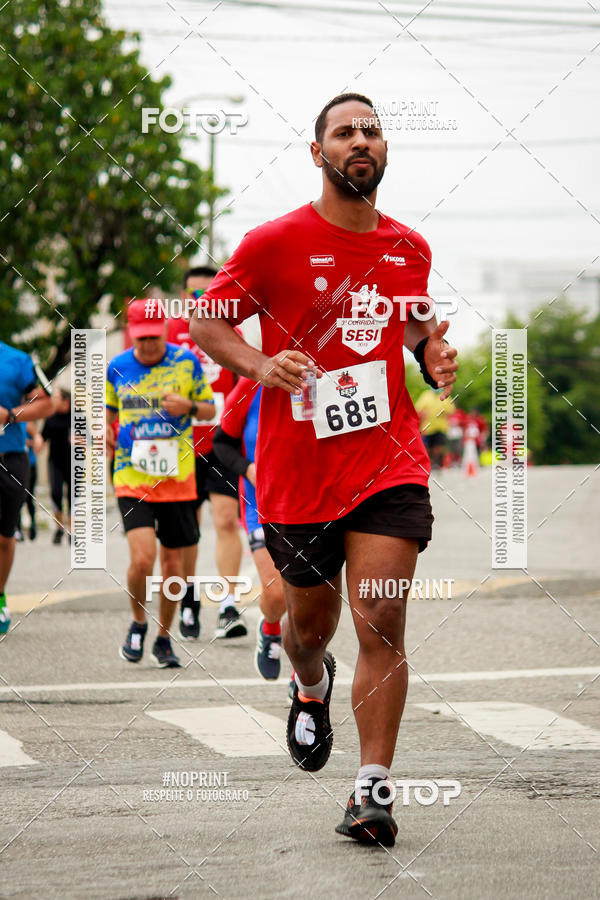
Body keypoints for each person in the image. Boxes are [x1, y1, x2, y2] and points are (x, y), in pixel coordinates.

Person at [190, 93, 458, 847]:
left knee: (382, 617)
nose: (360, 140)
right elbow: (206, 320)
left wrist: (431, 352)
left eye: (372, 130)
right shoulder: (272, 243)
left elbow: (413, 325)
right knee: (308, 629)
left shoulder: (409, 248)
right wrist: (259, 363)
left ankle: (372, 789)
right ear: (319, 153)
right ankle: (311, 684)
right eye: (344, 132)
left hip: (387, 462)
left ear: (384, 150)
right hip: (298, 474)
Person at [106, 299, 215, 667]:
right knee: (142, 560)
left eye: (154, 337)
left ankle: (163, 637)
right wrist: (104, 432)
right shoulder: (118, 367)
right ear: (131, 334)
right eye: (141, 339)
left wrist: (189, 407)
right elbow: (107, 412)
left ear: (165, 330)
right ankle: (138, 622)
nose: (148, 345)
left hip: (177, 479)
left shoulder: (186, 361)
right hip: (132, 476)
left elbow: (210, 409)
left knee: (173, 567)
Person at [166, 266, 247, 641]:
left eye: (209, 294)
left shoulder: (230, 332)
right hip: (179, 444)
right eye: (195, 294)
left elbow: (245, 386)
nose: (202, 301)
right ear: (183, 297)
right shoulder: (168, 335)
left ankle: (228, 605)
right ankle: (189, 600)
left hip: (221, 444)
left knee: (227, 520)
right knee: (188, 531)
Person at [212, 378, 286, 679]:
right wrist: (248, 468)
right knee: (277, 592)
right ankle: (271, 627)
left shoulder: (316, 376)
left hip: (314, 502)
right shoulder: (249, 383)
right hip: (262, 505)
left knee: (311, 601)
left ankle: (304, 678)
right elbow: (221, 443)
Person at [0, 341, 54, 634]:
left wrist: (10, 416)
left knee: (4, 537)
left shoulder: (18, 361)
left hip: (10, 458)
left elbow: (48, 403)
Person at [41, 388, 72, 543]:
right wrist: (37, 441)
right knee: (56, 494)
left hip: (74, 463)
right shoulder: (50, 416)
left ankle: (72, 531)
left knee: (73, 497)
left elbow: (89, 439)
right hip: (55, 461)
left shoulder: (77, 416)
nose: (53, 400)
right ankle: (59, 528)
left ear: (65, 401)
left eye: (56, 398)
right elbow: (43, 436)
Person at [415, 387, 456, 470]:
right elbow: (418, 409)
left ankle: (437, 463)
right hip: (428, 428)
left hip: (441, 427)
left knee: (439, 447)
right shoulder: (426, 395)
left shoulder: (445, 396)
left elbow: (452, 410)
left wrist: (444, 412)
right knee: (428, 447)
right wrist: (422, 415)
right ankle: (430, 463)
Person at [16, 422, 43, 541]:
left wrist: (29, 443)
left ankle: (32, 524)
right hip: (16, 465)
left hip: (30, 465)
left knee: (28, 497)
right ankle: (18, 529)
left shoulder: (28, 425)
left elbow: (38, 443)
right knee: (17, 498)